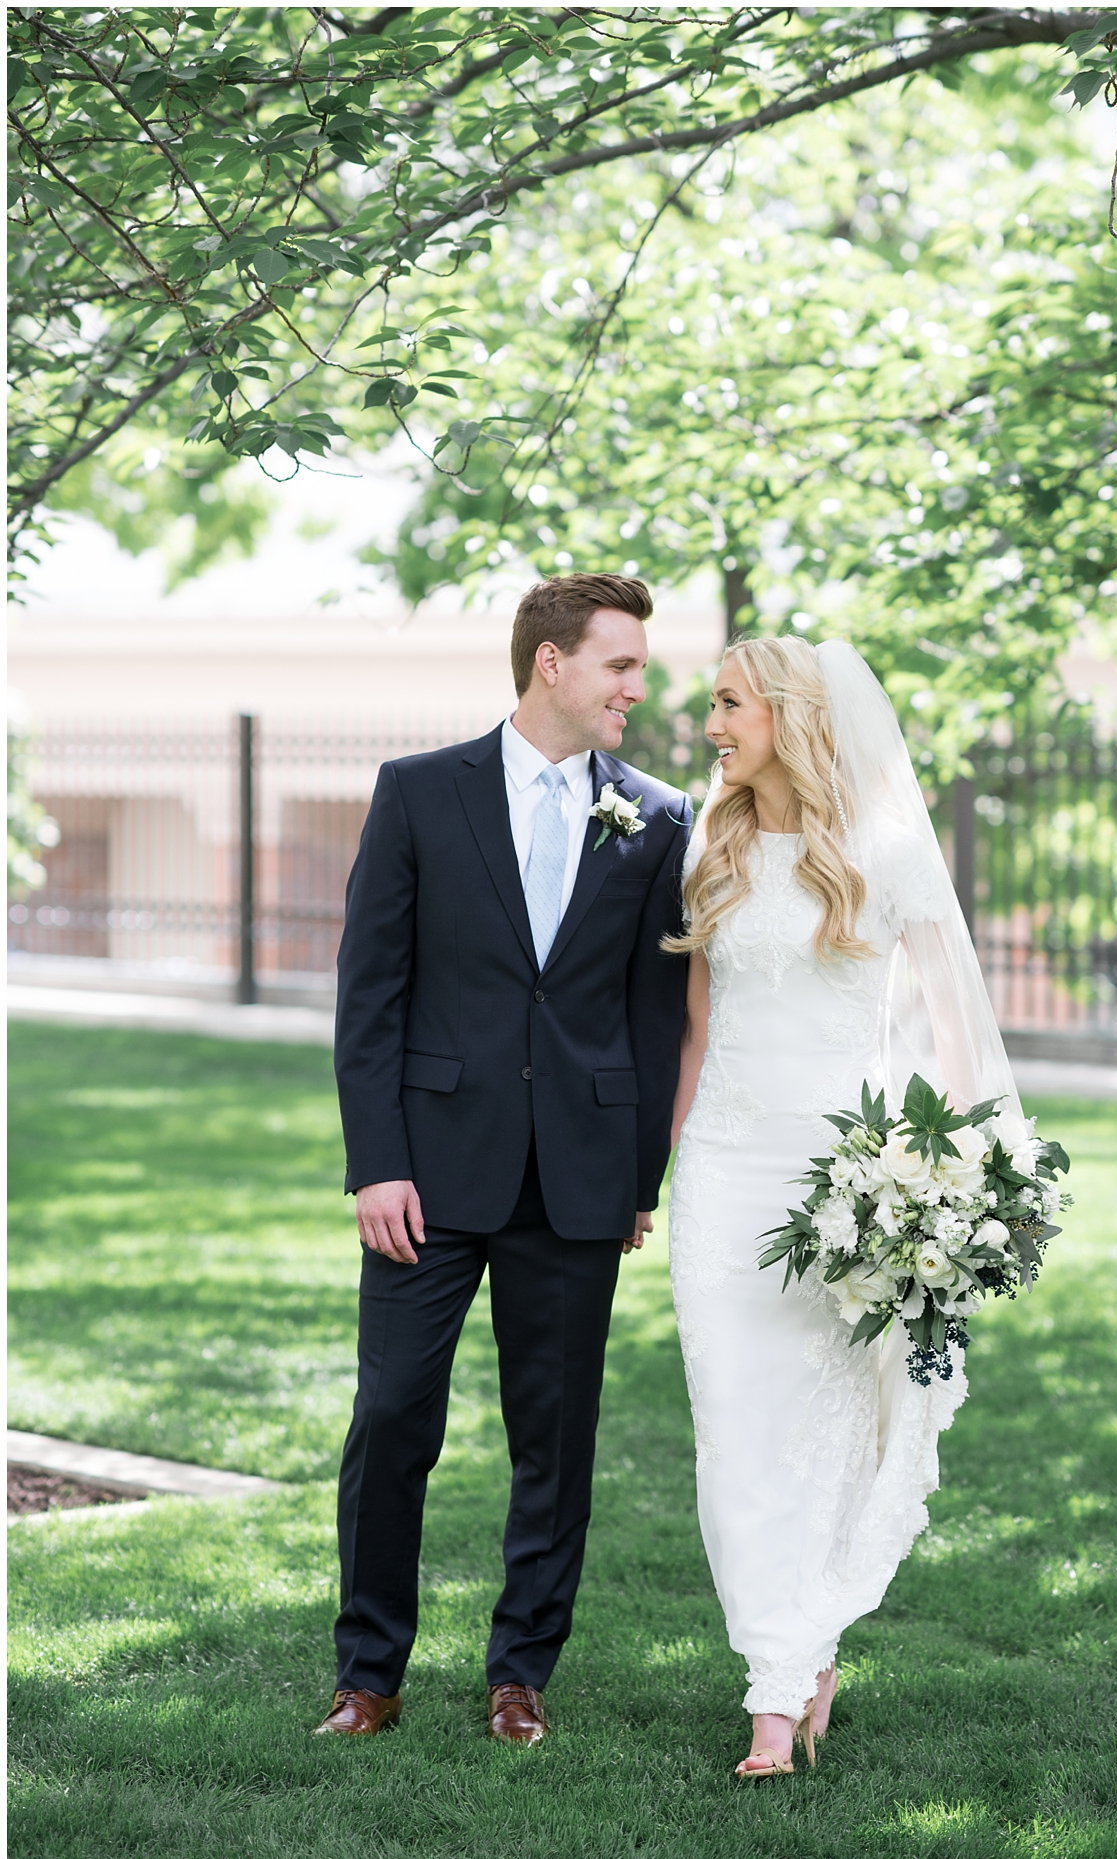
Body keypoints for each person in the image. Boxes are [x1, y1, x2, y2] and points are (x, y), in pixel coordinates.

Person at [317, 573, 692, 1744]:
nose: (639, 685)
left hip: (577, 1180)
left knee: (556, 1434)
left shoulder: (658, 814)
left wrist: (636, 1181)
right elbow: (369, 994)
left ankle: (520, 1672)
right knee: (393, 1419)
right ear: (553, 666)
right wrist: (377, 1163)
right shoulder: (421, 793)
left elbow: (651, 1014)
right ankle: (368, 1675)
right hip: (425, 1176)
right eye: (621, 664)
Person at [663, 632, 1020, 1779]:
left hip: (839, 1180)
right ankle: (783, 1667)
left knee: (830, 1426)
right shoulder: (707, 846)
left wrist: (955, 1188)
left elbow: (953, 1040)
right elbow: (697, 1031)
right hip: (723, 1168)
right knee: (734, 1430)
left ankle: (784, 1683)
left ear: (786, 714)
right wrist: (653, 1174)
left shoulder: (882, 852)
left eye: (727, 704)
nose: (710, 724)